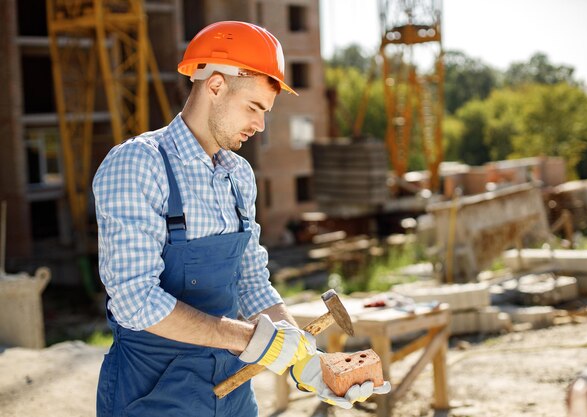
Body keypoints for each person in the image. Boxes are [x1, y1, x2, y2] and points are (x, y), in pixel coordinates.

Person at [93, 21, 390, 417]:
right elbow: (134, 299)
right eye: (253, 108)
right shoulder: (138, 164)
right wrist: (251, 338)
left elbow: (251, 283)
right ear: (215, 86)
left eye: (265, 112)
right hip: (152, 393)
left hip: (230, 392)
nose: (260, 125)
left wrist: (302, 358)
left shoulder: (238, 175)